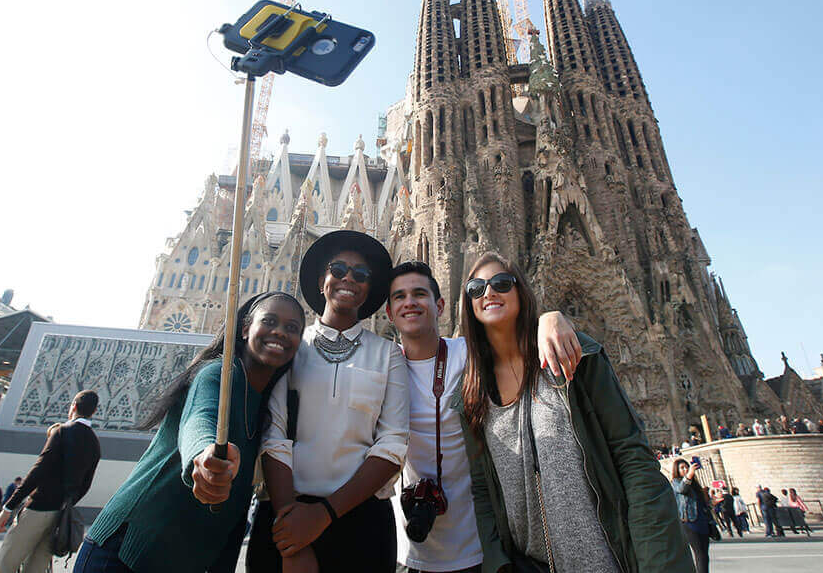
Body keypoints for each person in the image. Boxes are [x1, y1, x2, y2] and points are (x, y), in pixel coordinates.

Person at [458, 251, 693, 573]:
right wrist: (499, 565)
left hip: (607, 559)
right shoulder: (472, 391)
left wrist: (659, 563)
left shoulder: (573, 357)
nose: (488, 292)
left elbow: (634, 459)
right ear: (467, 302)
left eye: (501, 283)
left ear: (521, 291)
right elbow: (482, 490)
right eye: (476, 288)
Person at [73, 292, 304, 573]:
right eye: (269, 321)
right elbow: (200, 419)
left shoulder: (268, 406)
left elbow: (235, 508)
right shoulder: (216, 373)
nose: (279, 332)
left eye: (292, 328)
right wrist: (205, 457)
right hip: (123, 553)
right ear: (245, 328)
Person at [383, 261, 578, 573]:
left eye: (419, 294)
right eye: (399, 297)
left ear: (440, 305)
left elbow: (515, 338)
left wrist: (549, 319)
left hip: (482, 548)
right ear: (389, 313)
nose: (409, 302)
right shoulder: (380, 368)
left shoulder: (469, 354)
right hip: (411, 553)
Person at [249, 230, 408, 573]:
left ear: (368, 288)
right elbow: (274, 437)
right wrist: (293, 538)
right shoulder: (293, 345)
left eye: (361, 274)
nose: (348, 278)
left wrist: (324, 514)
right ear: (323, 280)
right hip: (285, 513)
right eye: (338, 270)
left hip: (362, 520)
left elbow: (393, 443)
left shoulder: (387, 355)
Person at [0, 390, 101, 573]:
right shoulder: (94, 442)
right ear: (95, 411)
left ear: (73, 406)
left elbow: (38, 471)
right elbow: (86, 484)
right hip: (61, 514)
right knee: (37, 567)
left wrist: (8, 507)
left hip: (39, 508)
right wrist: (67, 504)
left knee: (6, 563)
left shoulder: (62, 432)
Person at [671, 459, 712, 573]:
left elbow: (703, 503)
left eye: (686, 467)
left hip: (702, 521)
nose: (685, 470)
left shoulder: (695, 484)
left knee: (704, 554)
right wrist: (689, 475)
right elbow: (682, 489)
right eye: (682, 468)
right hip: (689, 522)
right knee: (699, 553)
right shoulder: (676, 482)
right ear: (677, 470)